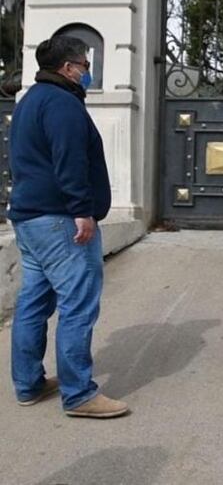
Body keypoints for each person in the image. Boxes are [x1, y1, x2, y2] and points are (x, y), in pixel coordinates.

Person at [8, 36, 128, 418]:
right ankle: (79, 394)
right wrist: (82, 211)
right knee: (78, 305)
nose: (88, 71)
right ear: (68, 68)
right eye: (85, 65)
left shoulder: (30, 101)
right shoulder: (62, 104)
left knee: (33, 303)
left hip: (30, 218)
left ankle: (28, 384)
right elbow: (69, 160)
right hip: (61, 221)